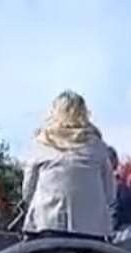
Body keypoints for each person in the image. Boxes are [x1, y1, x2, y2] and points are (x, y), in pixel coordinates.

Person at [20, 91, 116, 239]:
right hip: (92, 230)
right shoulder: (98, 147)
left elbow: (27, 192)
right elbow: (110, 194)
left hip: (46, 225)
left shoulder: (40, 145)